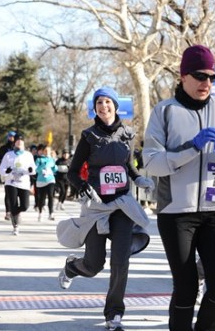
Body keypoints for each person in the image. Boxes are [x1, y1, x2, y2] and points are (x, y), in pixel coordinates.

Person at [56, 86, 155, 331]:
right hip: (97, 207)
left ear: (115, 105)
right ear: (95, 108)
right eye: (99, 102)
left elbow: (128, 167)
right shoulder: (88, 136)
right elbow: (72, 172)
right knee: (94, 264)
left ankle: (114, 314)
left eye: (107, 102)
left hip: (122, 205)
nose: (103, 106)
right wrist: (83, 187)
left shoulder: (127, 134)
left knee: (120, 261)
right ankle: (72, 267)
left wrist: (139, 179)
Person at [142, 44, 215, 331]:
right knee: (186, 286)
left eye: (212, 76)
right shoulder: (165, 112)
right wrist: (191, 148)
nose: (206, 83)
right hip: (176, 212)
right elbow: (151, 164)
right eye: (200, 75)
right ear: (183, 75)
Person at [0, 133, 36, 235]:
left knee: (25, 206)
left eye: (21, 140)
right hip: (11, 183)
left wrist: (30, 169)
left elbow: (33, 170)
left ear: (23, 143)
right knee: (13, 204)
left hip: (23, 183)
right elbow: (1, 169)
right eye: (17, 140)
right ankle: (15, 226)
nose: (19, 142)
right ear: (14, 142)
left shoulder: (28, 155)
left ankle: (17, 212)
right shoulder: (8, 155)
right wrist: (7, 171)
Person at [0, 131, 16, 220]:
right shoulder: (3, 148)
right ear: (7, 137)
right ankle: (8, 211)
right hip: (7, 173)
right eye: (10, 136)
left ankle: (15, 210)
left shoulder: (18, 149)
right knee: (8, 192)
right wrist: (2, 169)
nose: (11, 138)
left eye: (13, 137)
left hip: (17, 173)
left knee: (16, 193)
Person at [35, 145, 58, 221]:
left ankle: (51, 213)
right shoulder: (39, 159)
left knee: (51, 196)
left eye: (48, 151)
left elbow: (54, 170)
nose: (47, 152)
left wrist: (55, 167)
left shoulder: (52, 160)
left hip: (50, 180)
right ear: (43, 151)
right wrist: (43, 166)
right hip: (41, 181)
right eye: (45, 151)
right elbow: (36, 170)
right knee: (42, 198)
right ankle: (40, 213)